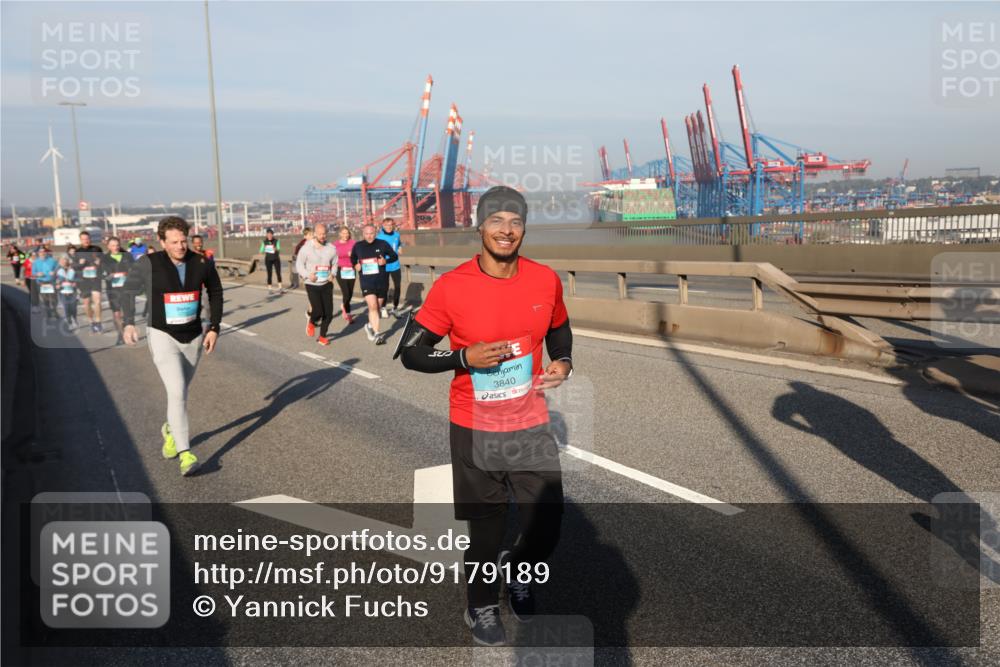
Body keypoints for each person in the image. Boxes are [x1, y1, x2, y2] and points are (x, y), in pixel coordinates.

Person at [396, 186, 572, 646]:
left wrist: (564, 362)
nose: (506, 230)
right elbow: (410, 354)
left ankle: (519, 571)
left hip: (531, 422)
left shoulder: (544, 279)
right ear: (480, 228)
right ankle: (481, 605)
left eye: (515, 221)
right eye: (497, 221)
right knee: (486, 531)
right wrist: (462, 358)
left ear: (525, 228)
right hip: (475, 425)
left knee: (546, 525)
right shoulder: (452, 287)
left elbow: (558, 327)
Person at [122, 216, 223, 477]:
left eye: (183, 241)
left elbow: (215, 292)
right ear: (162, 241)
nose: (180, 246)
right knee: (177, 391)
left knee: (181, 393)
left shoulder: (200, 261)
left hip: (193, 335)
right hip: (162, 334)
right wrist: (129, 323)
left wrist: (214, 327)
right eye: (174, 242)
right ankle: (185, 454)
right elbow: (128, 291)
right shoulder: (148, 264)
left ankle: (170, 429)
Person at [350, 224, 397, 344]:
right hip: (366, 281)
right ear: (363, 234)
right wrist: (355, 265)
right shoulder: (358, 246)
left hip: (381, 280)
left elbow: (394, 256)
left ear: (375, 233)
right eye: (366, 233)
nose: (369, 236)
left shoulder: (382, 244)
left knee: (378, 307)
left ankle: (369, 326)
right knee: (373, 307)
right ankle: (377, 334)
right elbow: (353, 258)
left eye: (371, 233)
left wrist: (385, 261)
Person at [295, 223, 338, 346]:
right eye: (320, 234)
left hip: (326, 283)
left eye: (324, 233)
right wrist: (308, 275)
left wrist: (333, 274)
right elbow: (299, 265)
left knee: (329, 314)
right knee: (318, 311)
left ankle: (322, 337)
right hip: (312, 283)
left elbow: (335, 263)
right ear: (314, 234)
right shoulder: (306, 248)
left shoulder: (331, 248)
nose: (322, 236)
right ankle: (312, 322)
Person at [102, 236, 134, 345]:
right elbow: (101, 275)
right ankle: (120, 335)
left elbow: (135, 270)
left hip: (126, 289)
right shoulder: (105, 259)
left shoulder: (127, 256)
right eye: (113, 245)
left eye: (117, 245)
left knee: (127, 313)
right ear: (108, 246)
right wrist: (108, 276)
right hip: (113, 290)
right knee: (116, 314)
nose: (115, 247)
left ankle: (127, 329)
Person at [75, 231, 105, 333]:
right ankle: (91, 322)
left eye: (87, 238)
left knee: (98, 301)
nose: (86, 241)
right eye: (83, 239)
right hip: (84, 282)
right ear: (80, 240)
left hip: (95, 279)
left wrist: (100, 262)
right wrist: (80, 264)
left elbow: (104, 262)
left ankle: (98, 322)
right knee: (86, 303)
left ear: (90, 239)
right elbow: (74, 267)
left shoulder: (97, 249)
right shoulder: (77, 252)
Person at [375, 218, 405, 317]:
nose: (389, 227)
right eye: (387, 225)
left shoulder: (397, 235)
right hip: (384, 266)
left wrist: (400, 248)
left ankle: (395, 308)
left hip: (395, 265)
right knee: (385, 287)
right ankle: (383, 307)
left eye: (391, 225)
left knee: (397, 287)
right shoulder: (379, 237)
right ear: (383, 225)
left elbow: (399, 244)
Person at [333, 226, 356, 323]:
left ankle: (344, 305)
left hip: (351, 269)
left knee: (350, 292)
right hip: (340, 269)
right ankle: (348, 313)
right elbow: (331, 257)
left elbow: (359, 253)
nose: (345, 235)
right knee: (345, 292)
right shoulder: (335, 245)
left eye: (347, 233)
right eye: (343, 233)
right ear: (340, 234)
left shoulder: (353, 243)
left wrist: (354, 255)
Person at [32, 246, 59, 321]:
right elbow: (33, 273)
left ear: (46, 252)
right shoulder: (36, 262)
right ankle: (48, 313)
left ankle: (54, 311)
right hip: (42, 283)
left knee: (54, 299)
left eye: (43, 251)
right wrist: (38, 274)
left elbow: (58, 268)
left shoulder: (52, 260)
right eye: (40, 252)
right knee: (45, 299)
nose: (42, 253)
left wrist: (54, 272)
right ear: (38, 253)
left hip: (51, 282)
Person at [56, 255, 79, 329]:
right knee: (66, 308)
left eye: (65, 260)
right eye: (62, 260)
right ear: (59, 262)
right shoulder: (57, 270)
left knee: (73, 307)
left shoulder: (73, 269)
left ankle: (74, 319)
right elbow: (54, 280)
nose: (63, 262)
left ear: (67, 261)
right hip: (63, 292)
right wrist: (57, 285)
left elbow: (78, 278)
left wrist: (75, 282)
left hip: (72, 291)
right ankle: (69, 322)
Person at [260, 229, 284, 294]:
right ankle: (270, 289)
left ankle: (280, 288)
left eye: (271, 234)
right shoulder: (264, 242)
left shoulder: (276, 241)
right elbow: (261, 250)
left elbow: (279, 249)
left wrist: (275, 249)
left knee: (278, 273)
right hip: (268, 259)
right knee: (269, 274)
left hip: (276, 258)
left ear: (272, 235)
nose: (269, 235)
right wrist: (264, 248)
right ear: (266, 235)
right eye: (268, 234)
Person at [291, 227, 312, 296]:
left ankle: (312, 304)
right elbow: (297, 251)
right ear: (305, 236)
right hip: (305, 267)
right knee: (309, 287)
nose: (311, 236)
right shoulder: (302, 243)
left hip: (312, 266)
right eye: (309, 235)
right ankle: (311, 304)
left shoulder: (315, 242)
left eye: (312, 234)